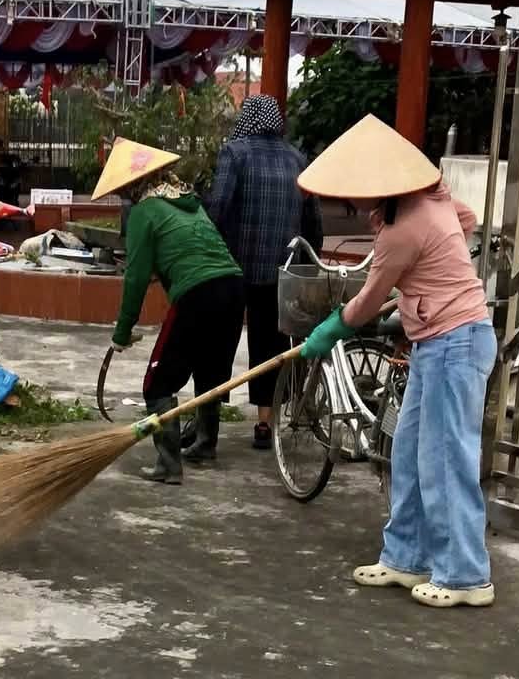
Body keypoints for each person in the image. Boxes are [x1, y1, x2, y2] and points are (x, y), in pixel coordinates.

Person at [300, 114, 497, 608]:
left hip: (456, 342)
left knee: (446, 460)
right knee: (407, 453)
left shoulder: (401, 229)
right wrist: (427, 279)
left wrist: (332, 329)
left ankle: (465, 576)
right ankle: (406, 557)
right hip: (436, 342)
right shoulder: (434, 200)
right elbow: (466, 221)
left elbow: (367, 301)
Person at [100, 140, 244, 486]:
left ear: (133, 186)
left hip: (197, 293)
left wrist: (122, 332)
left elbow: (135, 278)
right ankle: (205, 444)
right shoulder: (189, 202)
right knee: (210, 372)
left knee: (158, 384)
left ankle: (168, 465)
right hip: (233, 287)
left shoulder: (144, 212)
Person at [204, 95, 322, 457]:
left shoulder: (234, 153)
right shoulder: (297, 159)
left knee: (218, 343)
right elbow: (313, 222)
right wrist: (307, 265)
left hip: (236, 266)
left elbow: (218, 207)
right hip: (282, 272)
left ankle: (207, 420)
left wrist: (209, 251)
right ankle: (265, 423)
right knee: (269, 347)